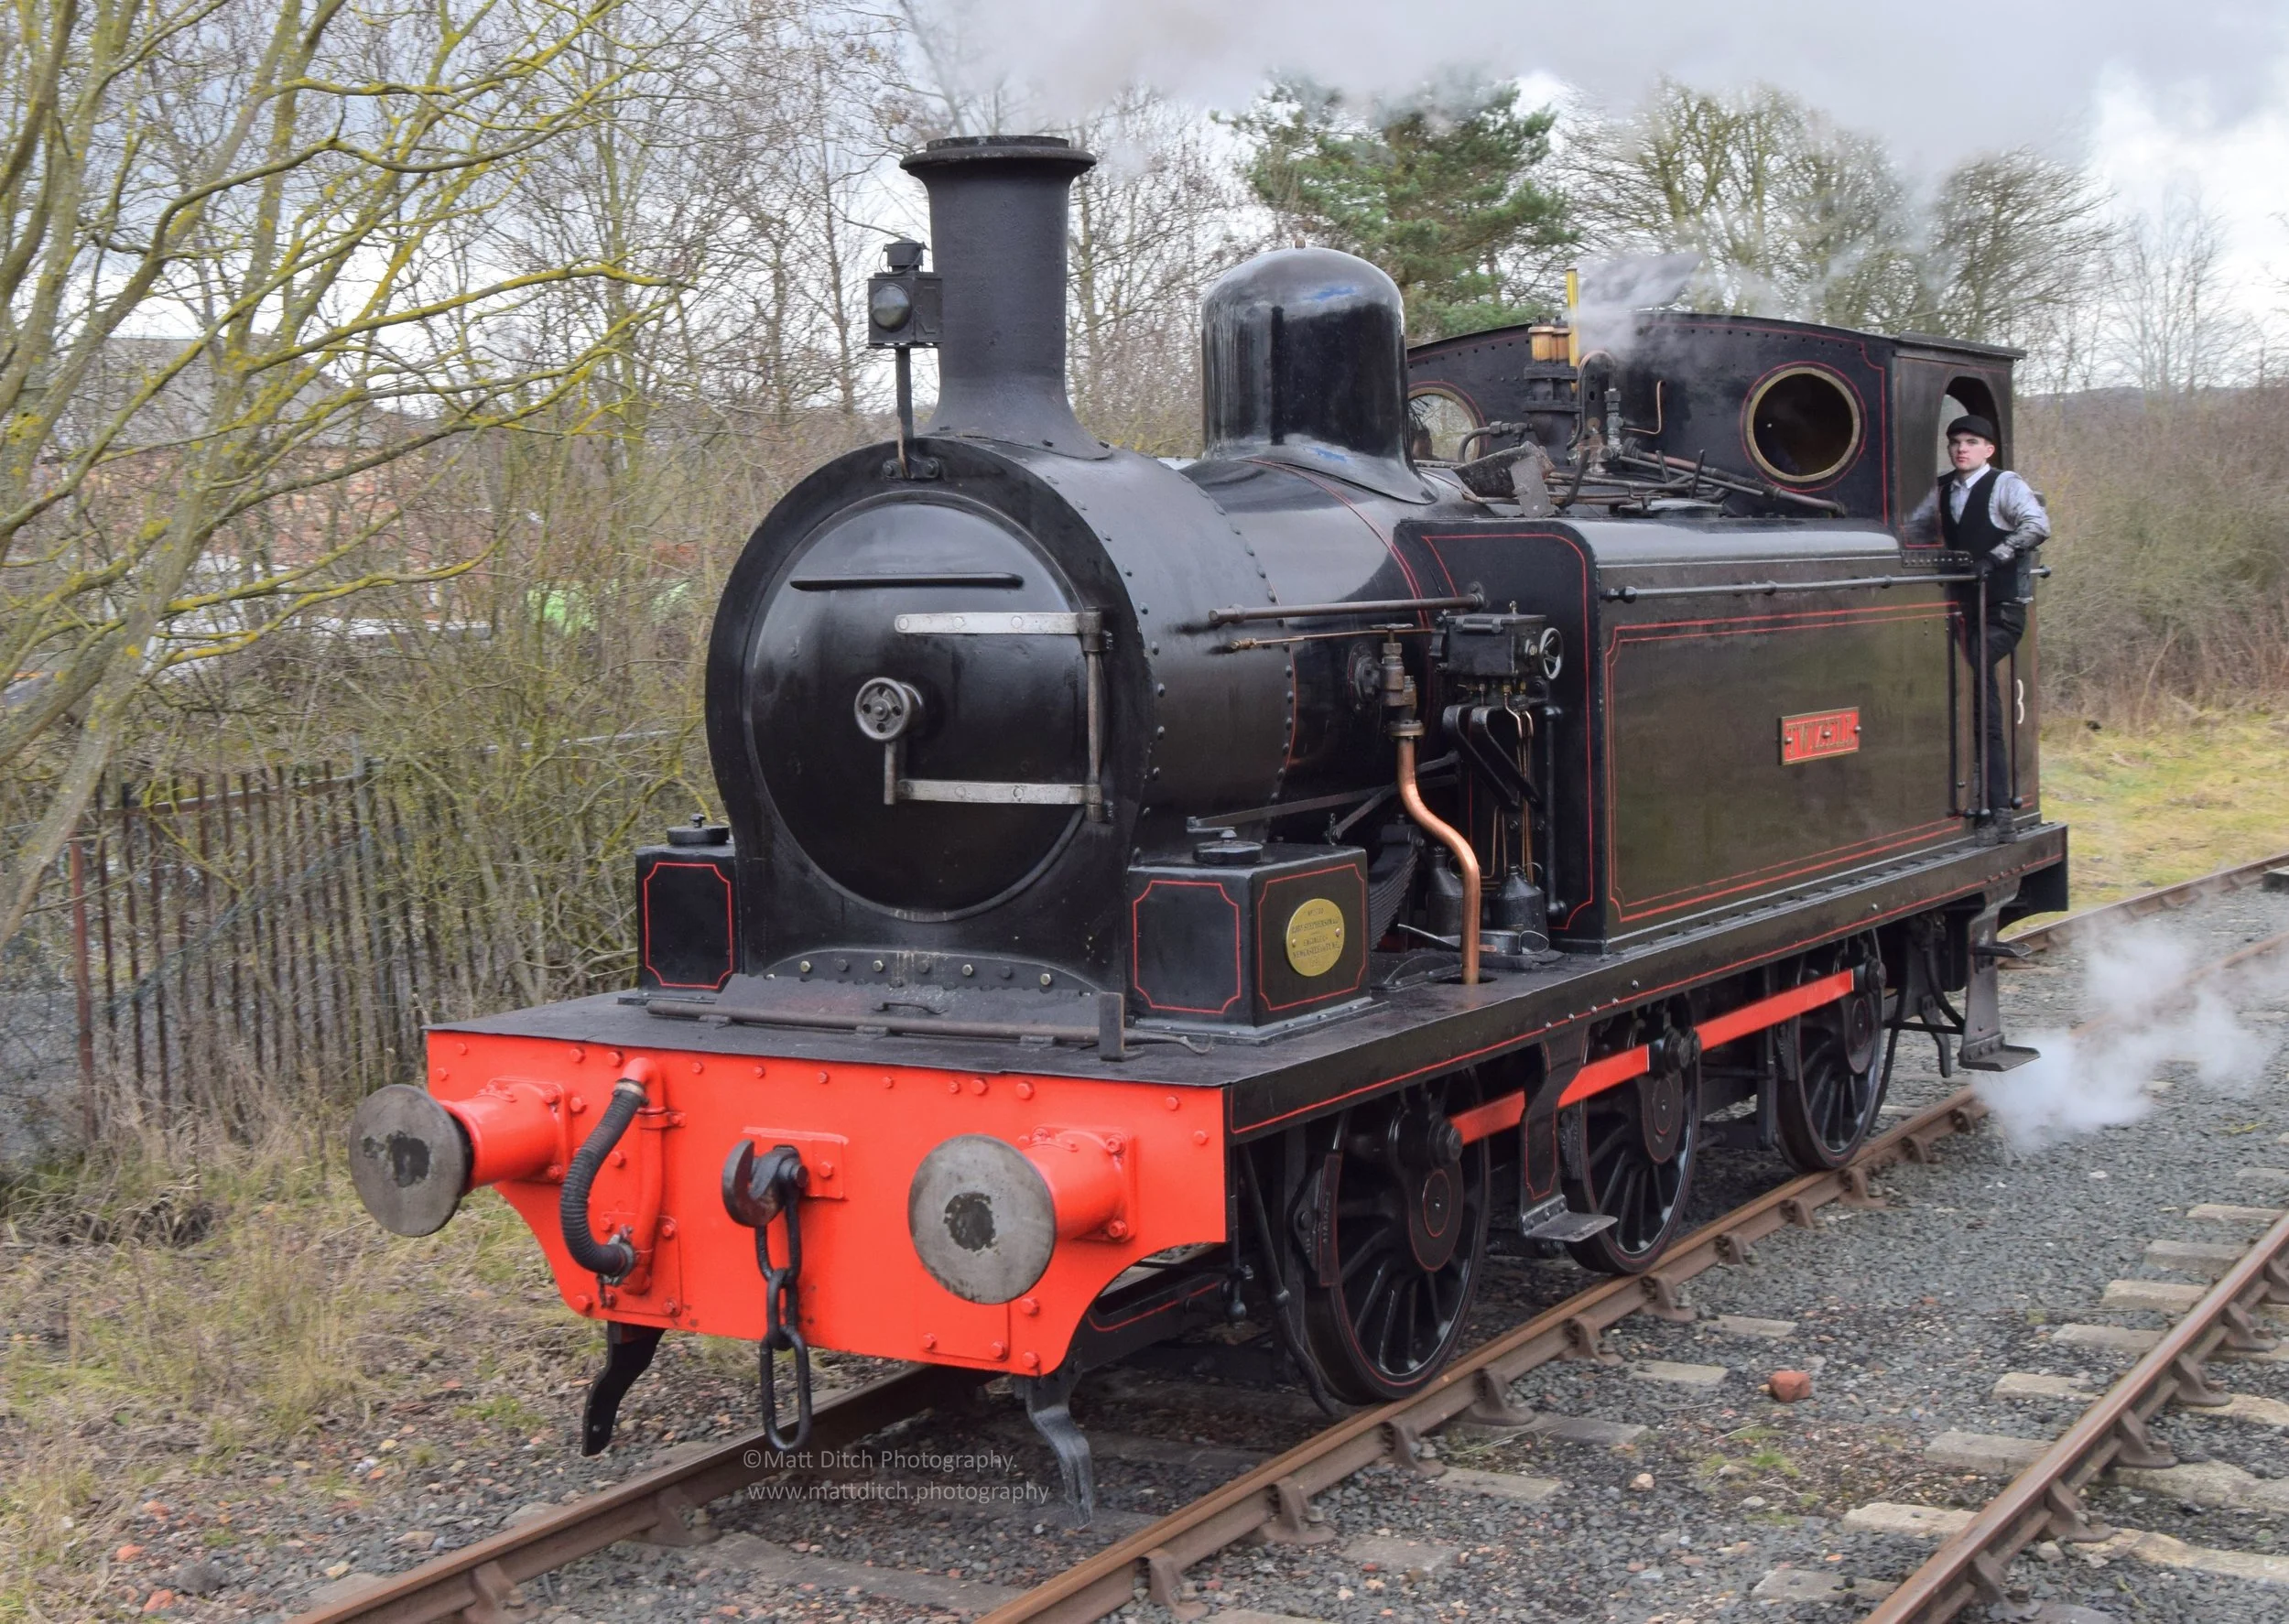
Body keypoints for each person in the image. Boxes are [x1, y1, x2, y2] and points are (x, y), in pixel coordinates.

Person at [1906, 415, 2048, 825]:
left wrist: (1996, 557)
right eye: (1955, 442)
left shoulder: (2006, 485)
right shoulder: (1941, 490)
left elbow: (2038, 525)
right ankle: (1988, 800)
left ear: (1989, 449)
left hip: (2001, 612)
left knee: (1974, 677)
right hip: (1959, 612)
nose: (1961, 449)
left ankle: (1998, 802)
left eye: (1970, 441)